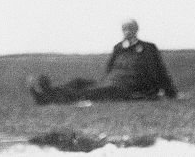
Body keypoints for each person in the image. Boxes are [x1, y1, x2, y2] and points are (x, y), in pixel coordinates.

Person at [29, 19, 178, 104]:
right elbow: (109, 70)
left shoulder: (147, 48)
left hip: (129, 88)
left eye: (130, 29)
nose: (127, 32)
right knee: (79, 82)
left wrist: (170, 92)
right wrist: (105, 81)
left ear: (136, 30)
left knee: (87, 93)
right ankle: (49, 90)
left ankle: (47, 98)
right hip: (112, 83)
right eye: (125, 29)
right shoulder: (119, 48)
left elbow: (159, 71)